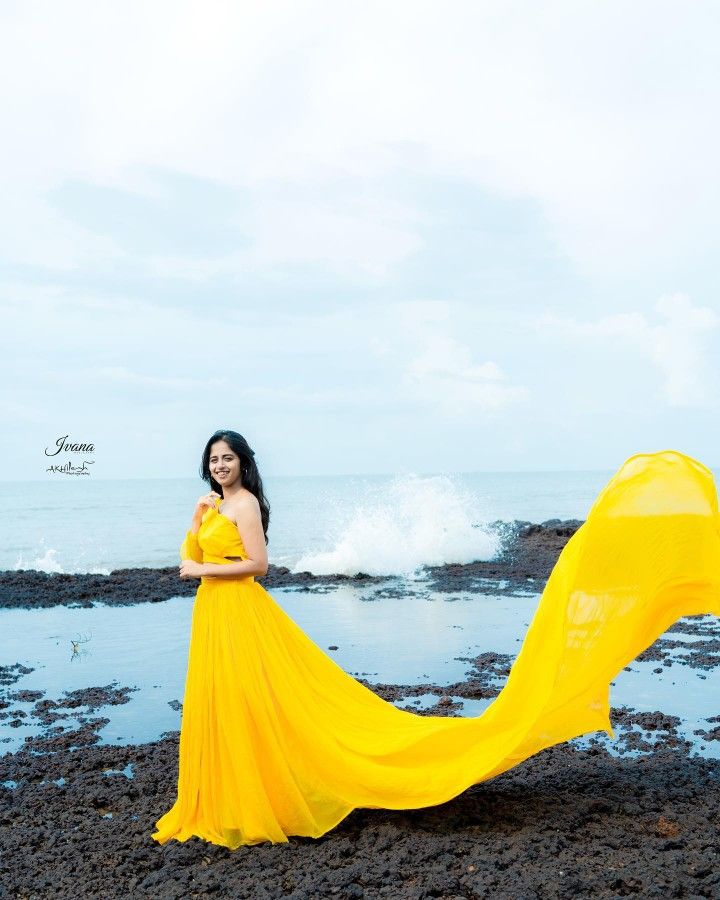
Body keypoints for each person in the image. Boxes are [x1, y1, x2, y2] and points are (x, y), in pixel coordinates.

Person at [151, 436, 720, 850]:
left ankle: (261, 796)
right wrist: (197, 521)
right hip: (213, 615)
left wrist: (199, 570)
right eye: (212, 460)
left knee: (269, 701)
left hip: (240, 610)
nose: (218, 466)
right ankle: (234, 793)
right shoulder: (214, 505)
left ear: (243, 464)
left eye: (226, 458)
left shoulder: (246, 503)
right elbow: (194, 556)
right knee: (226, 701)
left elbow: (257, 564)